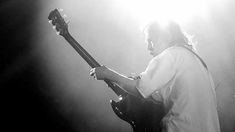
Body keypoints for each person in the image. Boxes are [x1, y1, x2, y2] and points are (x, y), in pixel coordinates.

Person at [90, 21, 220, 132]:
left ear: (167, 35)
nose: (148, 47)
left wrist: (108, 74)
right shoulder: (197, 61)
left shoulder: (171, 54)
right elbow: (161, 97)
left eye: (151, 40)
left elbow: (139, 88)